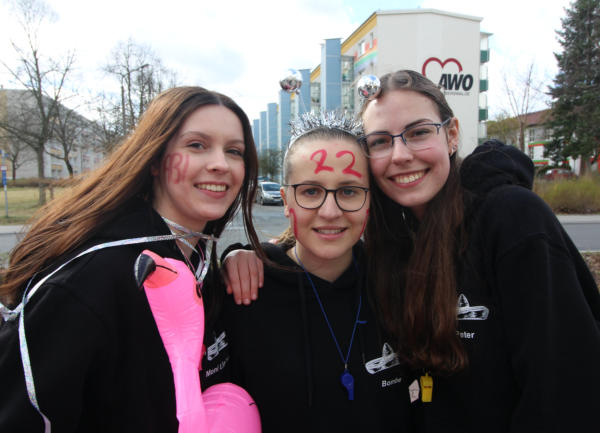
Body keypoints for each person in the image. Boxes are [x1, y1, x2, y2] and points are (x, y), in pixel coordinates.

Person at [0, 86, 265, 432]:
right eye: (197, 145)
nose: (220, 164)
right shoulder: (89, 279)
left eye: (234, 151)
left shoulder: (199, 269)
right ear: (154, 159)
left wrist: (238, 254)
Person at [358, 70, 600, 432]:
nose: (400, 155)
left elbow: (564, 386)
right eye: (380, 142)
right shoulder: (395, 242)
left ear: (452, 134)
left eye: (419, 133)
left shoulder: (511, 216)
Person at [223, 113, 412, 433]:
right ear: (286, 201)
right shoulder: (245, 293)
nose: (330, 211)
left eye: (349, 191)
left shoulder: (396, 283)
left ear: (369, 200)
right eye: (310, 191)